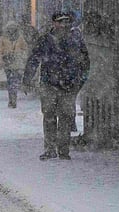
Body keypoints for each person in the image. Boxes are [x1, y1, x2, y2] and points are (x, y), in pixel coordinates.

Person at [23, 12, 90, 160]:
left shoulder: (75, 41)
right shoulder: (46, 40)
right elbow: (34, 59)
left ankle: (63, 150)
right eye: (61, 22)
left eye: (67, 22)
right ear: (54, 23)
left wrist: (79, 82)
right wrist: (27, 79)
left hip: (68, 85)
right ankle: (50, 148)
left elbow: (85, 63)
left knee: (66, 117)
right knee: (49, 116)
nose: (64, 25)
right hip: (49, 84)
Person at [0, 21, 29, 108]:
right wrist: (2, 60)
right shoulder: (3, 39)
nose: (11, 30)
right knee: (11, 81)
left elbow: (25, 49)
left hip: (17, 63)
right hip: (8, 64)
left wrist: (20, 56)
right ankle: (12, 99)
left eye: (13, 28)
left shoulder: (20, 38)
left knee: (14, 81)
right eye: (10, 28)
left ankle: (13, 99)